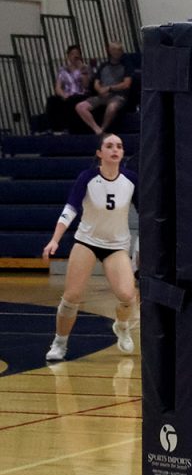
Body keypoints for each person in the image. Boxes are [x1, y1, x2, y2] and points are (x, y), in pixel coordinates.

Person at [41, 133, 138, 361]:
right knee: (72, 295)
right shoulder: (87, 177)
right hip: (87, 242)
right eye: (109, 146)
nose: (115, 149)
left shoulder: (132, 179)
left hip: (116, 245)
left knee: (127, 295)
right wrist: (55, 239)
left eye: (119, 146)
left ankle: (122, 326)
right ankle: (60, 343)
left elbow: (146, 212)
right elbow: (70, 209)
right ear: (99, 153)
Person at [76, 41, 132, 135]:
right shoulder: (103, 66)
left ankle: (103, 128)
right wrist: (100, 90)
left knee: (112, 107)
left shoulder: (126, 66)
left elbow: (126, 84)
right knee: (80, 107)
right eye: (114, 49)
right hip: (102, 95)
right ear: (109, 51)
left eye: (119, 50)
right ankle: (96, 128)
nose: (116, 52)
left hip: (118, 96)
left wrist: (109, 88)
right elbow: (96, 83)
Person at [46, 44, 91, 133]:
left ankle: (71, 129)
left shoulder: (85, 68)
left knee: (72, 101)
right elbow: (58, 87)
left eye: (77, 54)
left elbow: (86, 85)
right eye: (72, 54)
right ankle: (55, 129)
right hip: (67, 95)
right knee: (52, 100)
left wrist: (82, 70)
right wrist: (64, 95)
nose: (75, 56)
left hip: (80, 95)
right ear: (68, 56)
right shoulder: (63, 70)